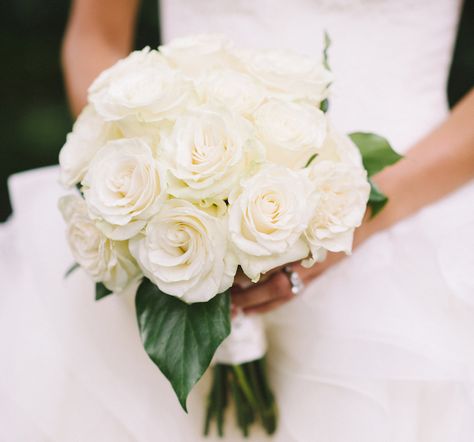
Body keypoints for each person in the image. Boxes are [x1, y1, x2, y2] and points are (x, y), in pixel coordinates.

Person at [1, 0, 473, 440]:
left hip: (412, 241)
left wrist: (354, 211)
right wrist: (145, 193)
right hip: (166, 222)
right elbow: (93, 38)